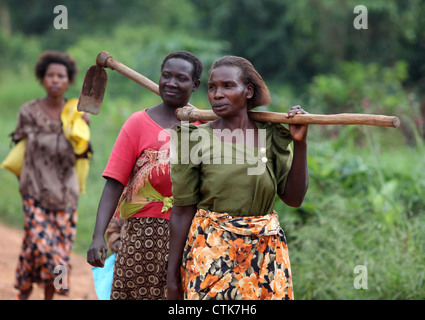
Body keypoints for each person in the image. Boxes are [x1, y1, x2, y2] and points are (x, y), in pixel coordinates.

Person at [167, 55, 309, 300]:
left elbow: (294, 199)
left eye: (228, 86)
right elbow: (181, 212)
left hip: (265, 256)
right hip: (211, 255)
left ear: (249, 91)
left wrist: (301, 144)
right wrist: (172, 278)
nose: (217, 94)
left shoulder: (270, 136)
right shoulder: (195, 139)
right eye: (212, 87)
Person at [86, 51, 203, 300]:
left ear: (195, 85)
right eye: (166, 76)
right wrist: (98, 236)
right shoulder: (137, 123)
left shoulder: (204, 129)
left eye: (181, 78)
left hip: (190, 236)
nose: (171, 83)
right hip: (141, 237)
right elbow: (114, 184)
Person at [11, 51, 90, 300]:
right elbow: (19, 152)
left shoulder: (76, 114)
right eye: (50, 75)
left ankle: (35, 296)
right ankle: (53, 281)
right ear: (42, 79)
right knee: (47, 249)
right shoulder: (28, 112)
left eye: (61, 76)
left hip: (66, 195)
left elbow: (83, 154)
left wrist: (84, 129)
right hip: (34, 192)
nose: (55, 80)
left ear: (68, 81)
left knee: (33, 250)